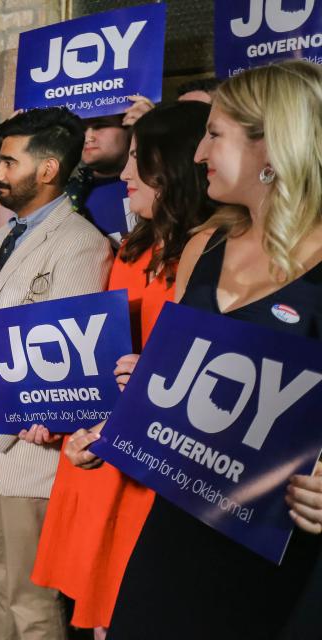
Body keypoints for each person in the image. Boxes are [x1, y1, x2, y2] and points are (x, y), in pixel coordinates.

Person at [106, 60, 322, 640]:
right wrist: (143, 387)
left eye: (215, 134)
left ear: (274, 144)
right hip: (176, 535)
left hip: (278, 560)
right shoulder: (205, 244)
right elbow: (174, 379)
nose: (198, 154)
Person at [24, 101, 215, 639]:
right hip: (98, 453)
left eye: (140, 159)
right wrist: (57, 413)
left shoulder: (210, 255)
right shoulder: (132, 249)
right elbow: (93, 356)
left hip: (151, 470)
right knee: (95, 615)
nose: (126, 174)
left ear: (175, 165)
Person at [0, 107, 113, 640]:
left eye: (8, 162)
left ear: (48, 169)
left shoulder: (82, 244)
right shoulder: (2, 236)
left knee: (32, 601)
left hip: (28, 455)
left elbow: (57, 370)